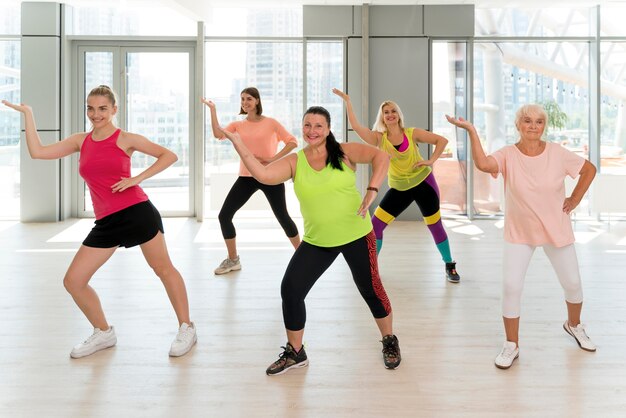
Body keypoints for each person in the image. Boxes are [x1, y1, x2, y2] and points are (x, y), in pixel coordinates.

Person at [2, 85, 197, 358]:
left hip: (136, 211)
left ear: (114, 110)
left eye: (102, 108)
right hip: (106, 222)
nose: (96, 114)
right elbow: (38, 152)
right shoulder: (80, 140)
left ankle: (186, 327)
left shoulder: (126, 138)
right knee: (74, 281)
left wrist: (136, 179)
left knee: (163, 269)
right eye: (91, 108)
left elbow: (169, 155)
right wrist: (28, 114)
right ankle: (103, 332)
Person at [218, 105, 401, 374]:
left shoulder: (345, 152)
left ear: (328, 129)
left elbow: (381, 157)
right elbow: (264, 175)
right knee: (291, 290)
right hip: (317, 241)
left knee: (371, 290)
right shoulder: (295, 161)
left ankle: (389, 340)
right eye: (307, 125)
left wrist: (373, 188)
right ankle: (296, 352)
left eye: (318, 126)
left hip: (357, 235)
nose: (312, 131)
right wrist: (238, 143)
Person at [446, 105, 597, 370]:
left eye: (539, 122)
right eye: (527, 121)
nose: (533, 126)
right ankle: (511, 344)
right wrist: (470, 130)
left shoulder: (557, 153)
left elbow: (589, 169)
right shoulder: (508, 155)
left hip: (555, 229)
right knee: (511, 287)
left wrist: (574, 198)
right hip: (520, 232)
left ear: (544, 127)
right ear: (518, 125)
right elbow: (483, 164)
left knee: (572, 282)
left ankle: (574, 325)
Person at [333, 89, 461, 283]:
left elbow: (441, 141)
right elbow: (357, 127)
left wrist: (430, 161)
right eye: (386, 112)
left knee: (434, 225)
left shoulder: (412, 133)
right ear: (382, 118)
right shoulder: (379, 139)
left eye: (393, 111)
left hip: (424, 184)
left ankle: (449, 264)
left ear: (398, 114)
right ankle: (372, 269)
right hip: (400, 188)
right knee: (375, 225)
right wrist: (348, 101)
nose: (390, 114)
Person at [201, 87, 300, 275]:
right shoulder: (238, 125)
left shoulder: (271, 123)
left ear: (257, 101)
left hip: (270, 175)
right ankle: (233, 260)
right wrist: (212, 110)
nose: (245, 103)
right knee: (224, 215)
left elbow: (292, 141)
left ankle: (302, 255)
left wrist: (273, 159)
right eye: (242, 99)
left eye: (248, 99)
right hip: (247, 176)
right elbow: (217, 134)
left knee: (283, 217)